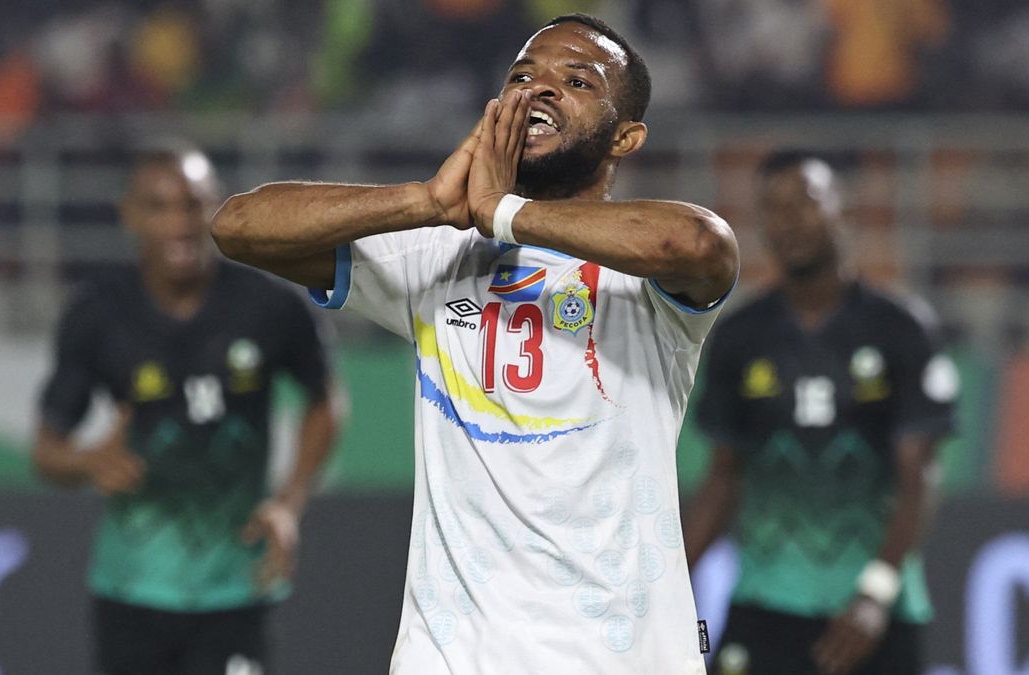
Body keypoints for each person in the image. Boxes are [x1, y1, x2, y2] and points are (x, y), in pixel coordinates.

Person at [212, 12, 739, 675]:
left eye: (576, 79)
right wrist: (426, 203)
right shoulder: (436, 254)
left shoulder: (644, 280)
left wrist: (504, 211)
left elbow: (698, 243)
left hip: (617, 656)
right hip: (453, 657)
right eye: (524, 74)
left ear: (626, 137)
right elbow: (238, 224)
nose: (540, 88)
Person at [32, 145, 341, 675]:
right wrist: (87, 462)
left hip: (236, 585)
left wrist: (290, 503)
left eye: (193, 205)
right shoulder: (96, 315)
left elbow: (325, 400)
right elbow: (46, 451)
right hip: (132, 586)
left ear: (215, 209)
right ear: (129, 214)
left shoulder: (267, 306)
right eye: (159, 207)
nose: (179, 223)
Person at [682, 150, 959, 675]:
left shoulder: (901, 328)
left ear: (842, 210)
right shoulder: (741, 338)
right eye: (773, 208)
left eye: (804, 202)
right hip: (765, 605)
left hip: (877, 612)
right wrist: (671, 582)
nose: (788, 221)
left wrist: (876, 593)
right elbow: (723, 479)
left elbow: (919, 473)